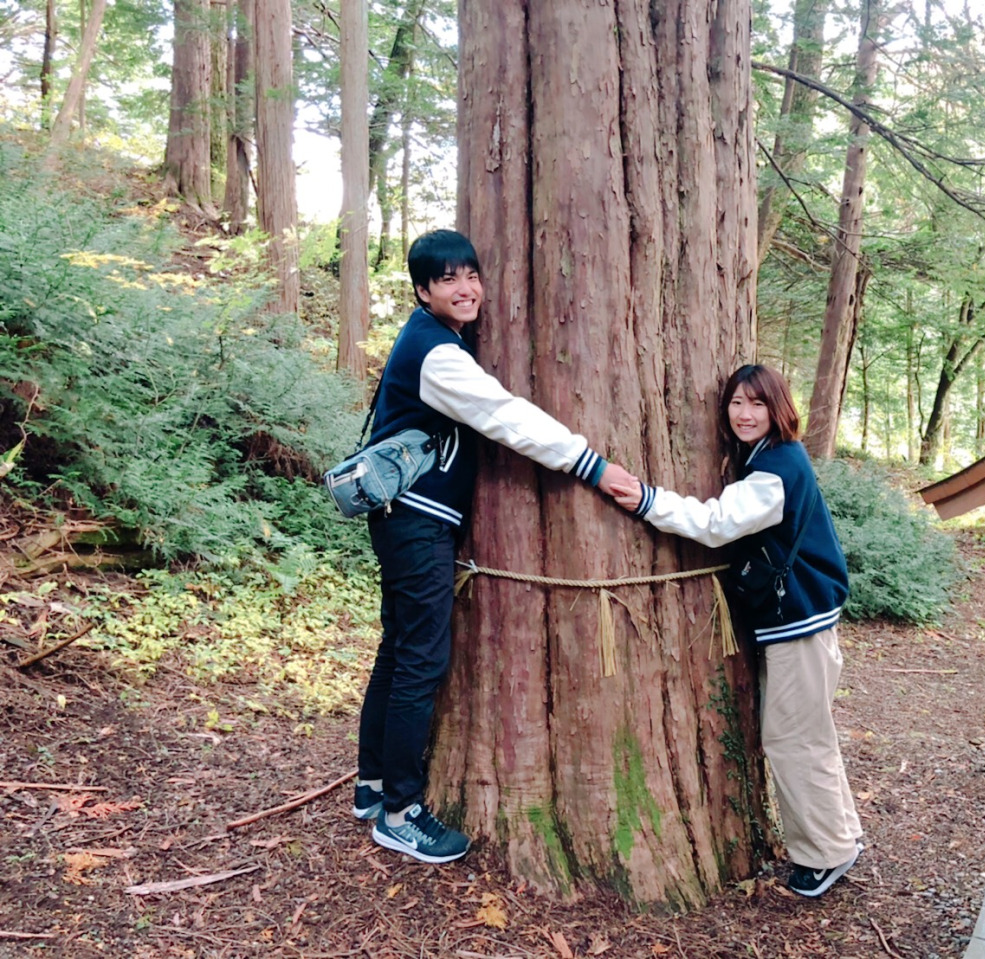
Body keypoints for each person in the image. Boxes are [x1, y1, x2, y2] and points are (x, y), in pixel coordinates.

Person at [355, 229, 636, 864]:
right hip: (417, 524)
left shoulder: (429, 339)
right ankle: (399, 813)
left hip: (401, 518)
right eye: (447, 279)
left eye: (471, 275)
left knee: (399, 650)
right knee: (420, 660)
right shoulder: (438, 354)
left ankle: (373, 785)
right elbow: (507, 415)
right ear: (422, 290)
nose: (465, 288)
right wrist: (590, 464)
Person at [609, 364, 863, 898]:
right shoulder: (767, 458)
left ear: (778, 408)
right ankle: (839, 838)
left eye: (758, 404)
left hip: (801, 624)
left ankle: (825, 854)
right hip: (800, 622)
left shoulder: (775, 470)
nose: (745, 415)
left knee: (793, 738)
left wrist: (648, 500)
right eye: (736, 403)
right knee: (809, 734)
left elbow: (717, 522)